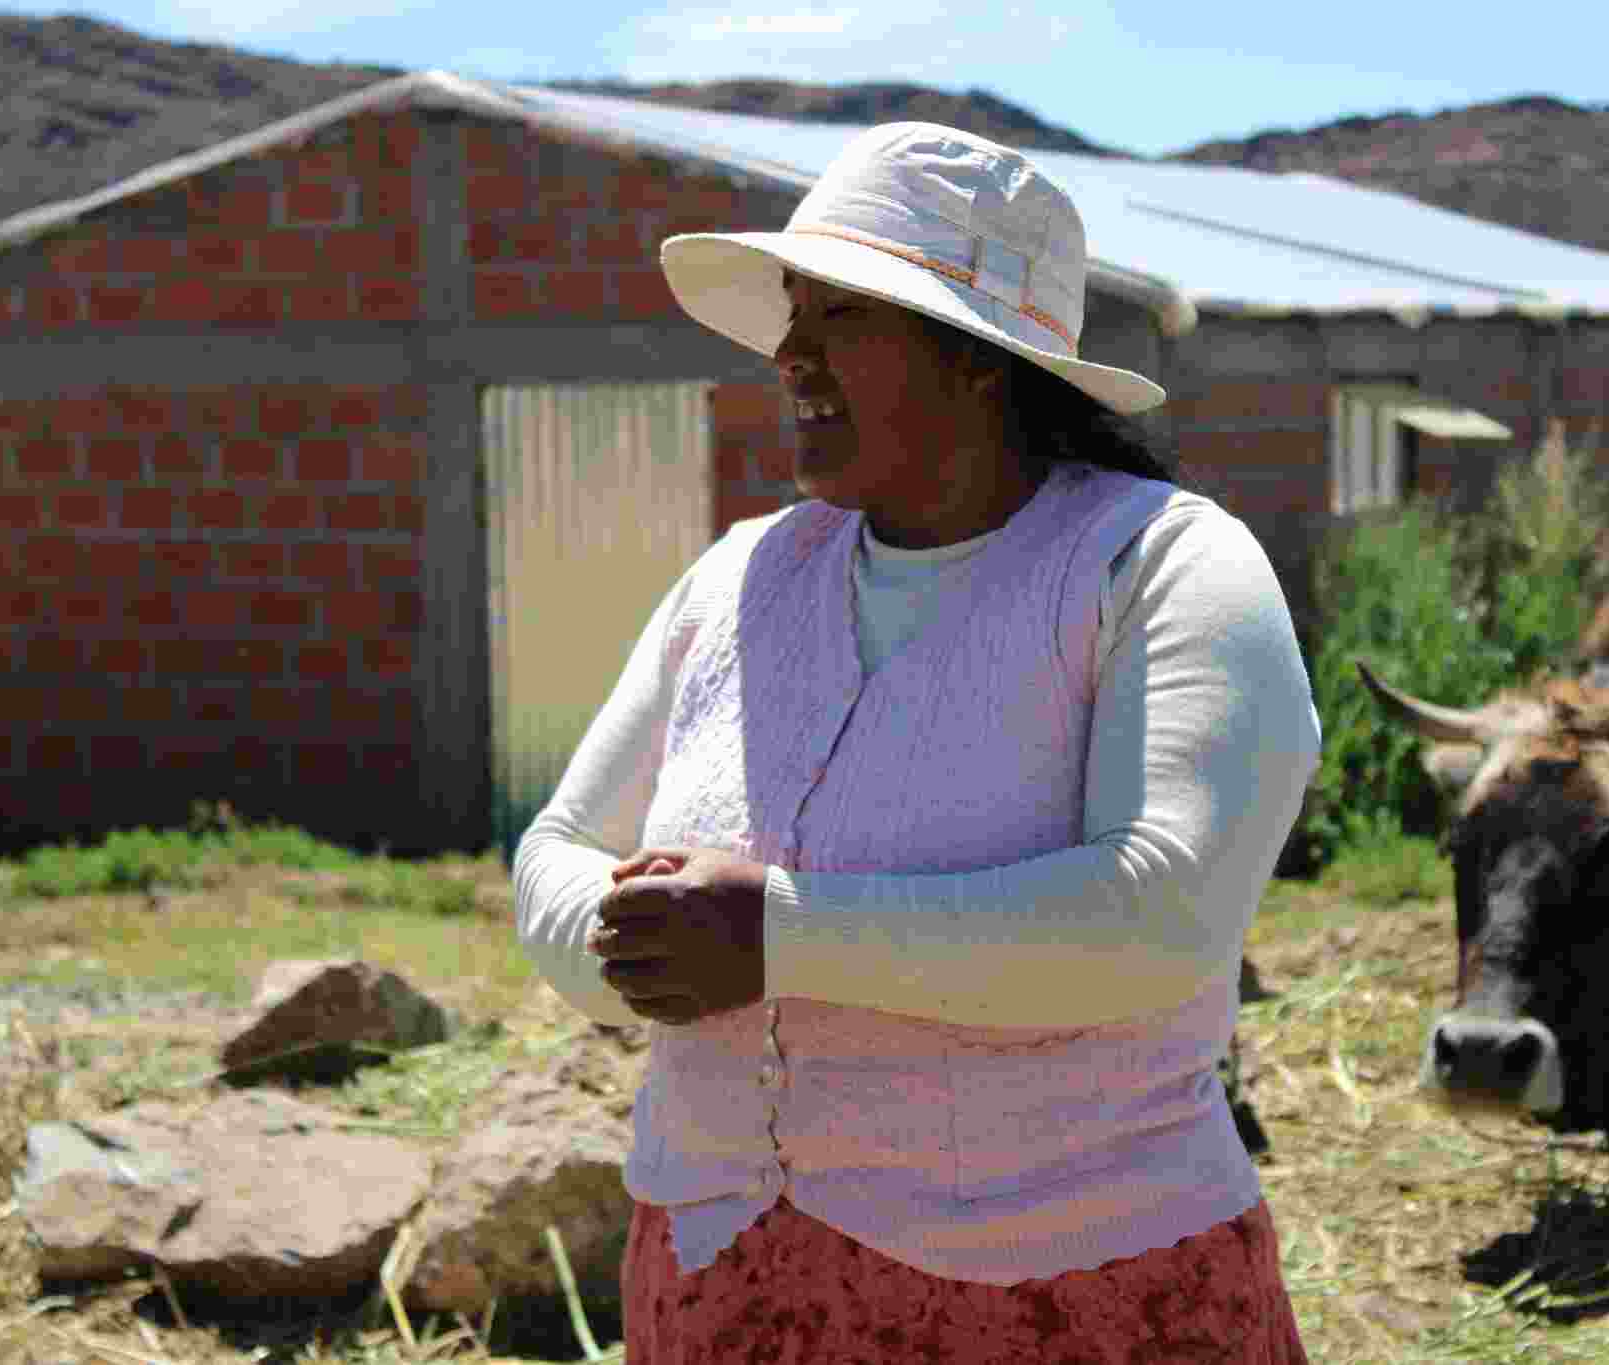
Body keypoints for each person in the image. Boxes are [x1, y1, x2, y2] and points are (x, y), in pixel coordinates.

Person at [514, 121, 1321, 1364]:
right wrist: (624, 945)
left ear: (977, 362)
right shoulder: (740, 580)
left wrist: (778, 936)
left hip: (1071, 1293)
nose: (788, 355)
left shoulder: (1157, 565)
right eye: (796, 315)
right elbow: (561, 843)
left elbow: (1165, 912)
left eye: (840, 319)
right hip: (724, 1278)